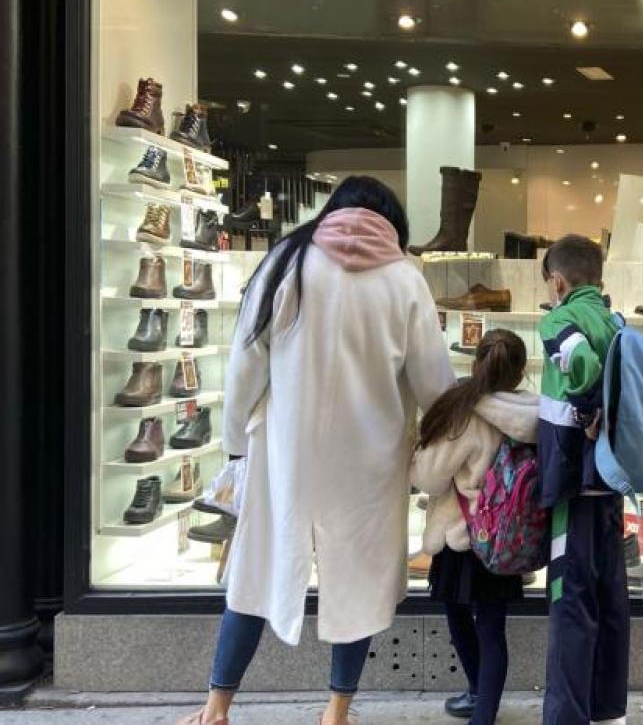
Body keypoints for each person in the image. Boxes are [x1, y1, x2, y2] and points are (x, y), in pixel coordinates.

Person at [176, 176, 455, 725]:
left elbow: (245, 364)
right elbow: (434, 384)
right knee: (359, 587)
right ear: (391, 223)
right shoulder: (405, 279)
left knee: (253, 573)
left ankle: (216, 707)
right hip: (369, 462)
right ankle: (335, 713)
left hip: (284, 452)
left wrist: (235, 444)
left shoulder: (287, 261)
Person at [410, 329, 538, 725]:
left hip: (463, 537)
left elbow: (430, 479)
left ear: (474, 363)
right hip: (507, 537)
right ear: (519, 374)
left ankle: (479, 697)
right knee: (493, 629)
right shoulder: (535, 415)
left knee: (458, 615)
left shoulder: (462, 415)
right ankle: (484, 710)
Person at [536, 235, 628, 725]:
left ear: (558, 282)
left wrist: (587, 407)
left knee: (569, 607)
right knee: (609, 601)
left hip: (573, 483)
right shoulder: (615, 321)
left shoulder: (559, 318)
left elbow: (581, 364)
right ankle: (609, 713)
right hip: (611, 482)